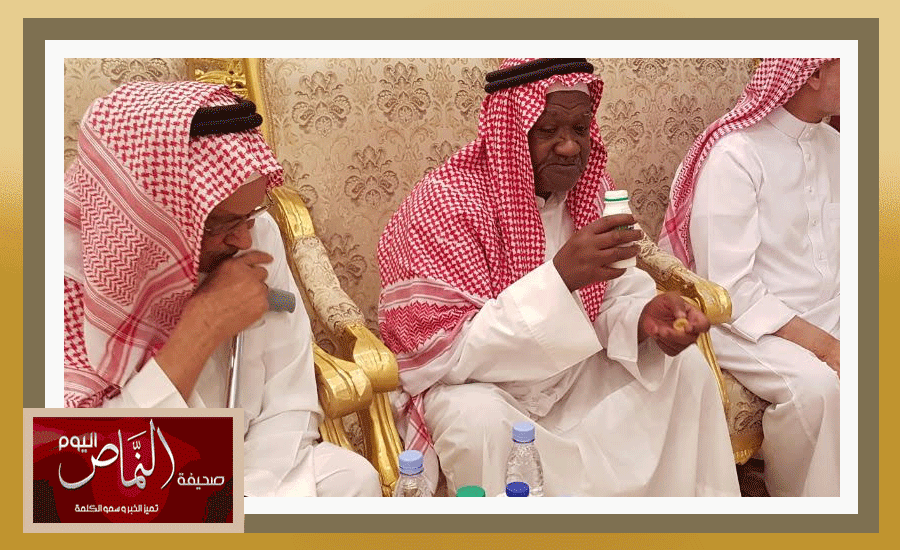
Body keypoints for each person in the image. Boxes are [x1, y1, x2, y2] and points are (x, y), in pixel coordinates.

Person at [377, 58, 740, 497]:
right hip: (485, 389)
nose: (569, 147)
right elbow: (446, 356)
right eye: (548, 130)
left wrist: (642, 318)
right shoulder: (446, 202)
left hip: (571, 374)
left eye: (580, 129)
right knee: (476, 423)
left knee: (686, 371)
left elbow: (611, 299)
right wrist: (560, 278)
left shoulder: (591, 191)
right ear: (513, 132)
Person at [64, 81, 381, 497]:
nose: (244, 240)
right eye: (219, 224)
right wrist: (202, 326)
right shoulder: (60, 275)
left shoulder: (255, 233)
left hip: (251, 466)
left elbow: (289, 399)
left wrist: (250, 492)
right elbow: (74, 469)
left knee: (351, 477)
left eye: (250, 216)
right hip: (136, 480)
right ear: (148, 213)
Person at [659, 58, 840, 497]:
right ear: (814, 74)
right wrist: (827, 346)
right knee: (816, 388)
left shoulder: (837, 145)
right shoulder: (736, 155)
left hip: (831, 309)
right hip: (747, 324)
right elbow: (730, 287)